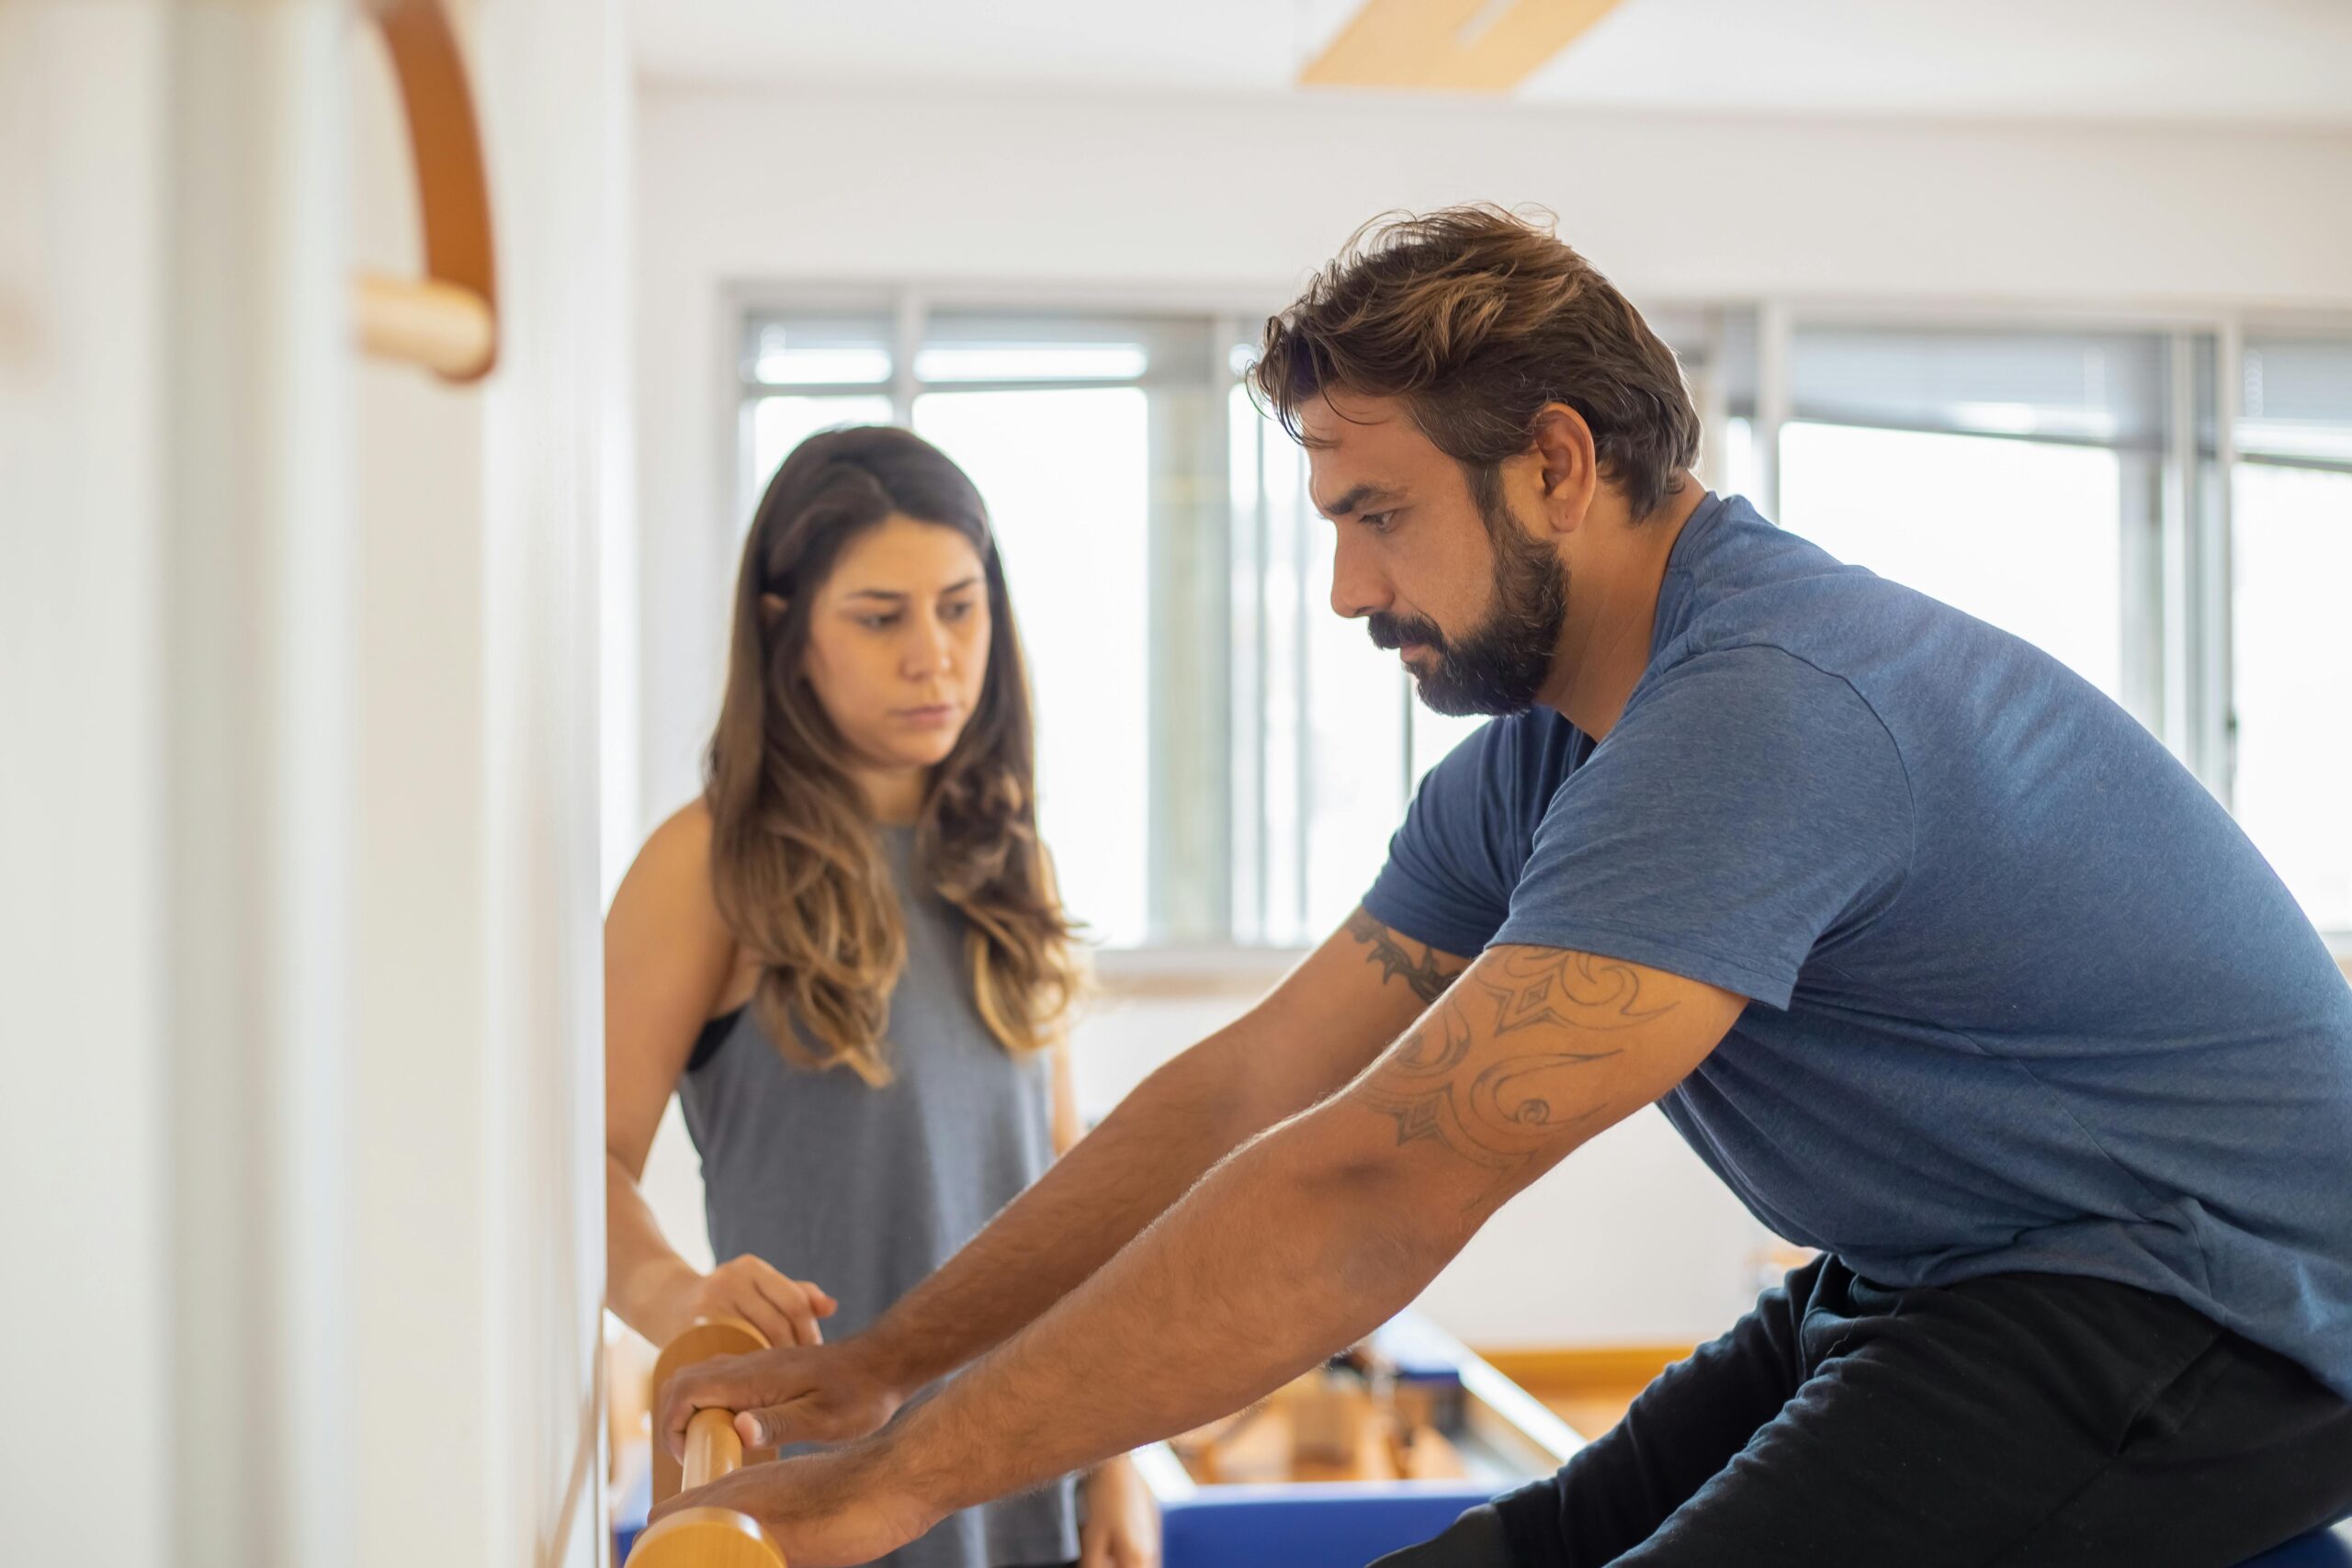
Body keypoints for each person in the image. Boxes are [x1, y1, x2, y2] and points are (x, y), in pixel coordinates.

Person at [650, 209, 2352, 1567]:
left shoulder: (1764, 708)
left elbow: (1368, 1193)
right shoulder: (1553, 756)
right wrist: (886, 1364)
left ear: (1553, 462)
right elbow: (1252, 1085)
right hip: (1954, 1269)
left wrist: (892, 1484)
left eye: (1377, 513)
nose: (1341, 587)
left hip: (2209, 1305)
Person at [604, 425, 1156, 1568]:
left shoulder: (1014, 860)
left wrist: (1121, 1458)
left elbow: (1065, 1189)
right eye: (879, 615)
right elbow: (576, 1166)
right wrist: (680, 1300)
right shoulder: (707, 863)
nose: (934, 656)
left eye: (960, 607)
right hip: (813, 1504)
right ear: (783, 628)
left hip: (1018, 1487)